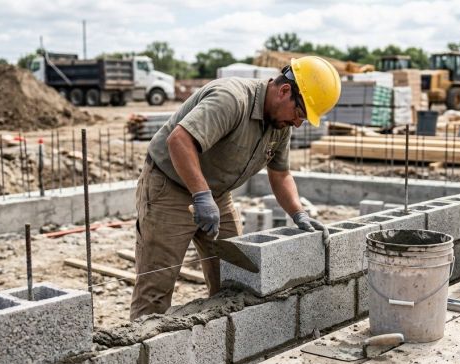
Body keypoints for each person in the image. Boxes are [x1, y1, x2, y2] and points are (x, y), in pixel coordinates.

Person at [130, 56, 341, 320]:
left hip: (215, 195)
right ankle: (145, 355)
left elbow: (281, 174)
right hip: (169, 189)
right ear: (285, 91)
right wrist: (201, 196)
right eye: (300, 113)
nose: (298, 123)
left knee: (236, 280)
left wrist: (299, 214)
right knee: (155, 291)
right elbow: (179, 141)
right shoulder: (231, 99)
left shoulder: (279, 124)